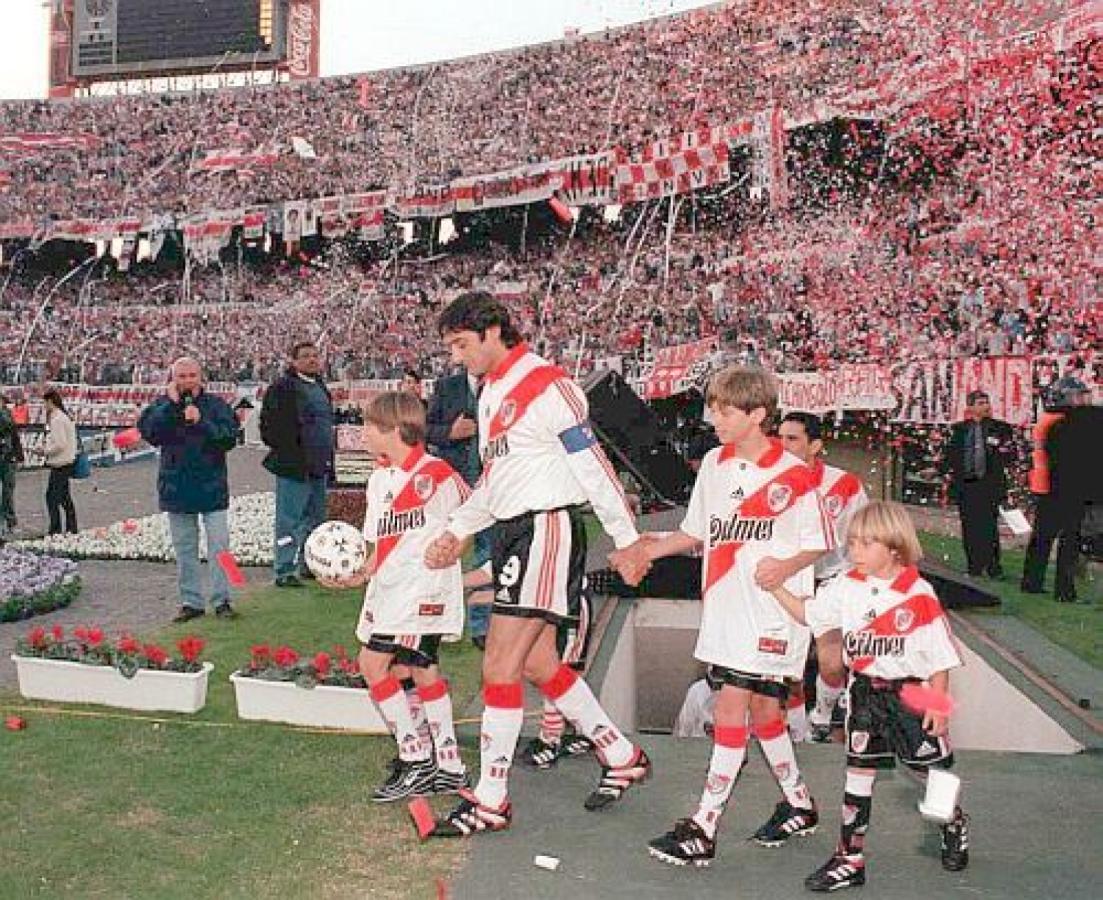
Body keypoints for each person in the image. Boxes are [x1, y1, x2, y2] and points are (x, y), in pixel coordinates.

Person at [423, 290, 652, 838]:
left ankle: (492, 798)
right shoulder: (490, 391)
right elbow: (497, 482)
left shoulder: (548, 384)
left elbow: (595, 466)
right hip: (513, 532)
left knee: (499, 665)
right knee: (536, 666)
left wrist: (629, 540)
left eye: (461, 344)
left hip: (546, 529)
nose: (457, 358)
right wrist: (458, 529)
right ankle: (619, 753)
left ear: (493, 330)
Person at [619, 366, 829, 868]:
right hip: (726, 610)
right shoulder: (714, 463)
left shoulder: (794, 476)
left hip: (773, 616)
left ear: (757, 415)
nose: (712, 418)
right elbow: (696, 533)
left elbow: (819, 541)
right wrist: (647, 550)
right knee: (761, 714)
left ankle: (704, 825)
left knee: (731, 707)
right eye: (712, 408)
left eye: (723, 410)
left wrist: (786, 564)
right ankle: (799, 803)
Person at [769, 501, 970, 891]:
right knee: (858, 776)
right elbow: (808, 614)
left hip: (911, 694)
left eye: (865, 543)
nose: (854, 551)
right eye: (852, 543)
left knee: (932, 776)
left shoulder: (918, 593)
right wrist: (774, 586)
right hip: (863, 695)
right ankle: (849, 858)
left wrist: (940, 706)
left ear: (894, 547)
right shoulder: (846, 586)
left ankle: (953, 822)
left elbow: (940, 658)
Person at [343, 391, 471, 802]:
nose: (361, 433)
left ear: (395, 430)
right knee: (419, 668)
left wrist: (455, 547)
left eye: (369, 426)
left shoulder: (436, 474)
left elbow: (469, 520)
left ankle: (416, 758)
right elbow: (379, 540)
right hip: (390, 590)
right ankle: (448, 765)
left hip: (422, 592)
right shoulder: (379, 478)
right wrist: (360, 570)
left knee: (375, 663)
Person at [778, 411, 869, 742]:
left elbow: (866, 533)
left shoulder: (845, 484)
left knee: (831, 664)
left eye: (792, 439)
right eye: (780, 437)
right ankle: (799, 728)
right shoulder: (768, 481)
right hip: (787, 582)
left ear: (815, 445)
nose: (783, 445)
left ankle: (823, 715)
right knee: (789, 666)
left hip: (832, 580)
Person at [138, 357, 240, 622]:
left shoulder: (216, 405)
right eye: (181, 376)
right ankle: (191, 601)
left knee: (221, 547)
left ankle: (223, 599)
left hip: (212, 487)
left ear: (201, 377)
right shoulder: (163, 405)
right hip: (177, 488)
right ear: (172, 379)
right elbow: (149, 432)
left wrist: (202, 422)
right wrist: (171, 407)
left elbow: (229, 438)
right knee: (185, 549)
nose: (187, 381)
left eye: (191, 375)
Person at [425, 363, 492, 646]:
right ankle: (433, 621)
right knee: (443, 550)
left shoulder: (502, 386)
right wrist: (451, 433)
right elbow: (426, 431)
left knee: (488, 553)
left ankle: (483, 627)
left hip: (491, 485)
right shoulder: (446, 387)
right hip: (454, 483)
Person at [260, 341, 334, 587]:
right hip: (294, 466)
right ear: (294, 361)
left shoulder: (321, 387)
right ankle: (284, 569)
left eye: (315, 355)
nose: (312, 360)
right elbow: (268, 427)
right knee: (288, 521)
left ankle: (309, 564)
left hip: (318, 465)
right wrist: (291, 449)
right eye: (305, 356)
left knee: (315, 520)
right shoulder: (283, 388)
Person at [1022, 380, 1098, 602]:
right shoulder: (1063, 421)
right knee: (1069, 541)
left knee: (1042, 539)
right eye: (1078, 396)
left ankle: (1032, 582)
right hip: (1062, 488)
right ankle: (1064, 591)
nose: (1083, 400)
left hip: (1045, 486)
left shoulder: (1047, 419)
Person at [941, 391, 1015, 578]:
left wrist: (1004, 451)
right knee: (970, 527)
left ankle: (993, 567)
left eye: (987, 402)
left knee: (989, 526)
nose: (986, 406)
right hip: (966, 486)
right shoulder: (959, 430)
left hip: (989, 485)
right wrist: (938, 470)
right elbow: (950, 456)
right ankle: (974, 566)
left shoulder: (1000, 428)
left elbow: (1010, 454)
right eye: (981, 403)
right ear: (971, 407)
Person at [42, 389, 79, 535]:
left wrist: (44, 451)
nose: (44, 406)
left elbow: (60, 444)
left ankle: (55, 529)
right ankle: (71, 528)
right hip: (67, 461)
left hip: (60, 463)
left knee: (51, 498)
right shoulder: (64, 417)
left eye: (44, 403)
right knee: (64, 497)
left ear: (50, 401)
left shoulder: (57, 419)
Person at [0, 394, 24, 537]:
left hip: (7, 458)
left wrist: (19, 455)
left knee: (8, 491)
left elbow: (14, 434)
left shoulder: (7, 415)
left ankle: (9, 521)